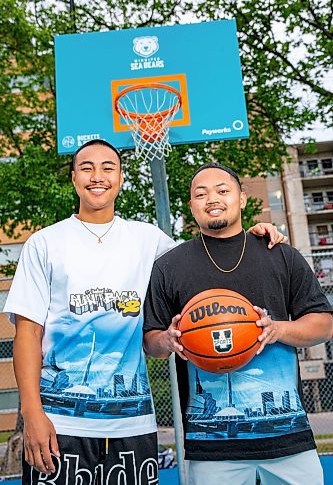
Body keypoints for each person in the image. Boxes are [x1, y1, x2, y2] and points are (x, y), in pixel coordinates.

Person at [4, 143, 286, 484]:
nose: (98, 176)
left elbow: (206, 260)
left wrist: (249, 234)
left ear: (120, 178)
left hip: (133, 424)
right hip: (59, 423)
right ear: (74, 177)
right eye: (88, 168)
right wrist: (32, 413)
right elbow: (27, 334)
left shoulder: (148, 240)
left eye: (108, 168)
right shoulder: (44, 243)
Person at [143, 162, 333, 485]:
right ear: (191, 206)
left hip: (288, 438)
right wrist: (169, 340)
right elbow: (151, 341)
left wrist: (277, 330)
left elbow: (324, 325)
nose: (212, 199)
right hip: (212, 447)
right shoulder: (169, 267)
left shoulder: (280, 254)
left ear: (242, 198)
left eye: (222, 190)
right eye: (200, 194)